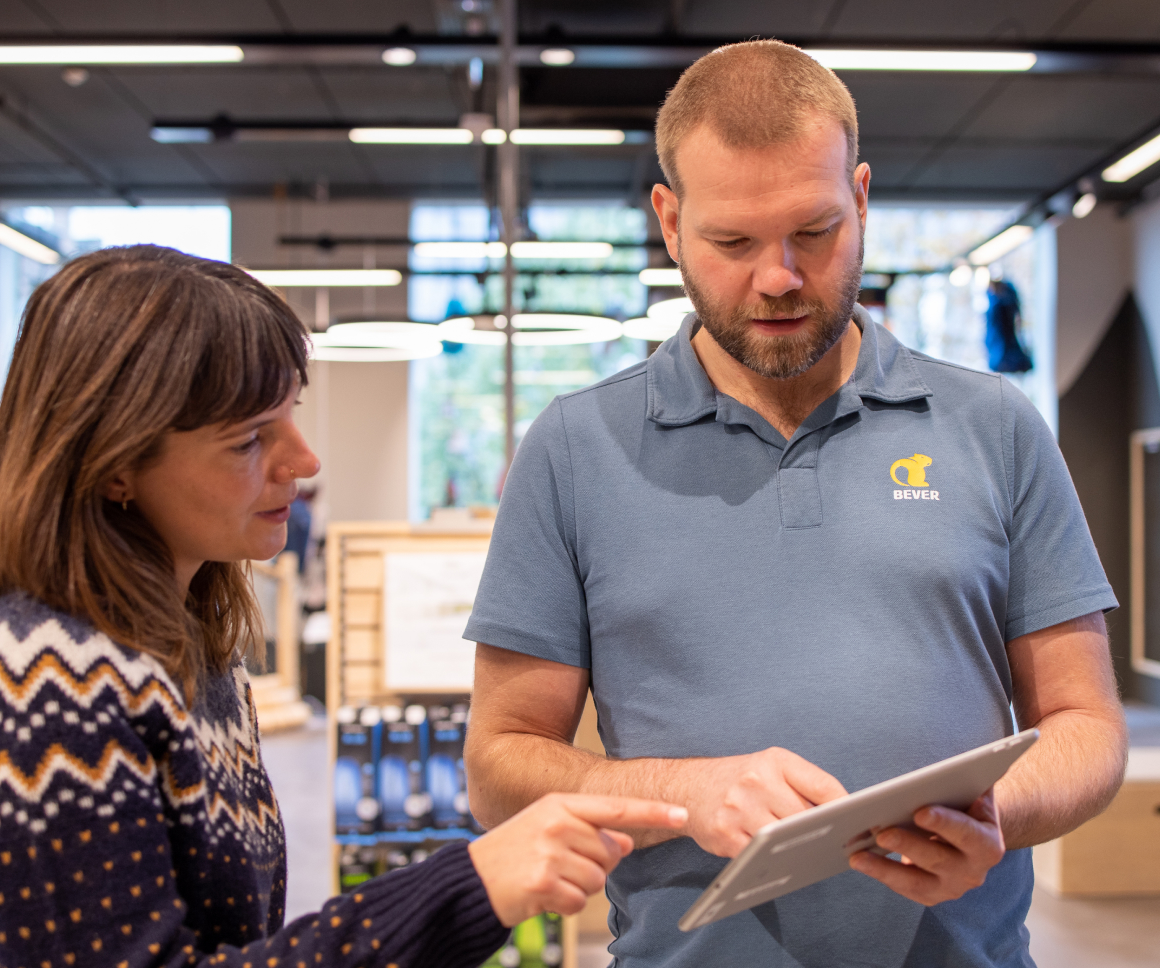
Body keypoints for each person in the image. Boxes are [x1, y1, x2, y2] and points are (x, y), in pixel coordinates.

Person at [463, 40, 1126, 967]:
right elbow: (500, 765)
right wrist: (683, 793)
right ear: (670, 222)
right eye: (733, 242)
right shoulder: (575, 449)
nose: (777, 277)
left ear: (861, 198)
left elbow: (1088, 727)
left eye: (814, 232)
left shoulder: (995, 427)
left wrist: (991, 813)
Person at [0, 245, 687, 968]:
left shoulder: (186, 656)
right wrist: (466, 887)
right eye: (248, 440)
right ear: (114, 466)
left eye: (291, 415)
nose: (303, 461)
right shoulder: (29, 684)